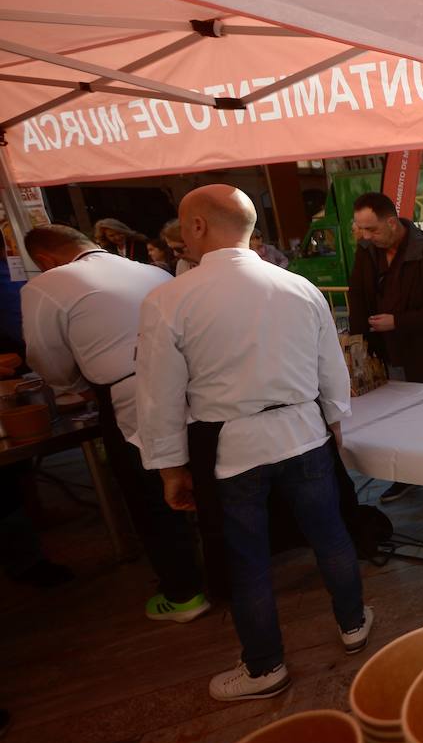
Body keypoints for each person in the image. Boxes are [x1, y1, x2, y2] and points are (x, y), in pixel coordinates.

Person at [136, 185, 369, 702]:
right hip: (303, 431)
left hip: (233, 446)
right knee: (330, 535)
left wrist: (169, 468)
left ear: (196, 227)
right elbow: (331, 368)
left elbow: (159, 395)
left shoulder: (170, 299)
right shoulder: (299, 286)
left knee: (248, 559)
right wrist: (334, 424)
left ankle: (265, 666)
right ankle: (353, 623)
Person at [21, 225, 209, 622]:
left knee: (151, 494)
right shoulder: (152, 271)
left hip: (128, 394)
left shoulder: (48, 284)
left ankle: (183, 594)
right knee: (202, 478)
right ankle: (225, 574)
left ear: (45, 260)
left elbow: (46, 358)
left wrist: (75, 386)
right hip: (195, 385)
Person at [348, 192, 423, 509]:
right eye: (361, 229)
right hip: (384, 353)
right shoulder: (366, 251)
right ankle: (405, 475)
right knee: (396, 422)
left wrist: (399, 321)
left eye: (371, 229)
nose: (365, 236)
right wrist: (360, 346)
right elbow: (357, 297)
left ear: (392, 223)